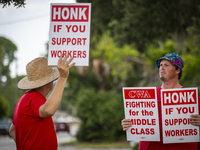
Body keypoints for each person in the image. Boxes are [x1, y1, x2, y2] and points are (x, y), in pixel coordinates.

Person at [121, 52, 200, 150]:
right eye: (160, 65)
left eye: (166, 65)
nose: (161, 68)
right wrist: (129, 124)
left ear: (177, 70)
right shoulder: (147, 96)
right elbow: (139, 123)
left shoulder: (191, 97)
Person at [9, 55, 75, 150]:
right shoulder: (35, 98)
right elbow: (49, 110)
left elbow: (12, 130)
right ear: (49, 82)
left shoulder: (24, 99)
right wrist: (63, 77)